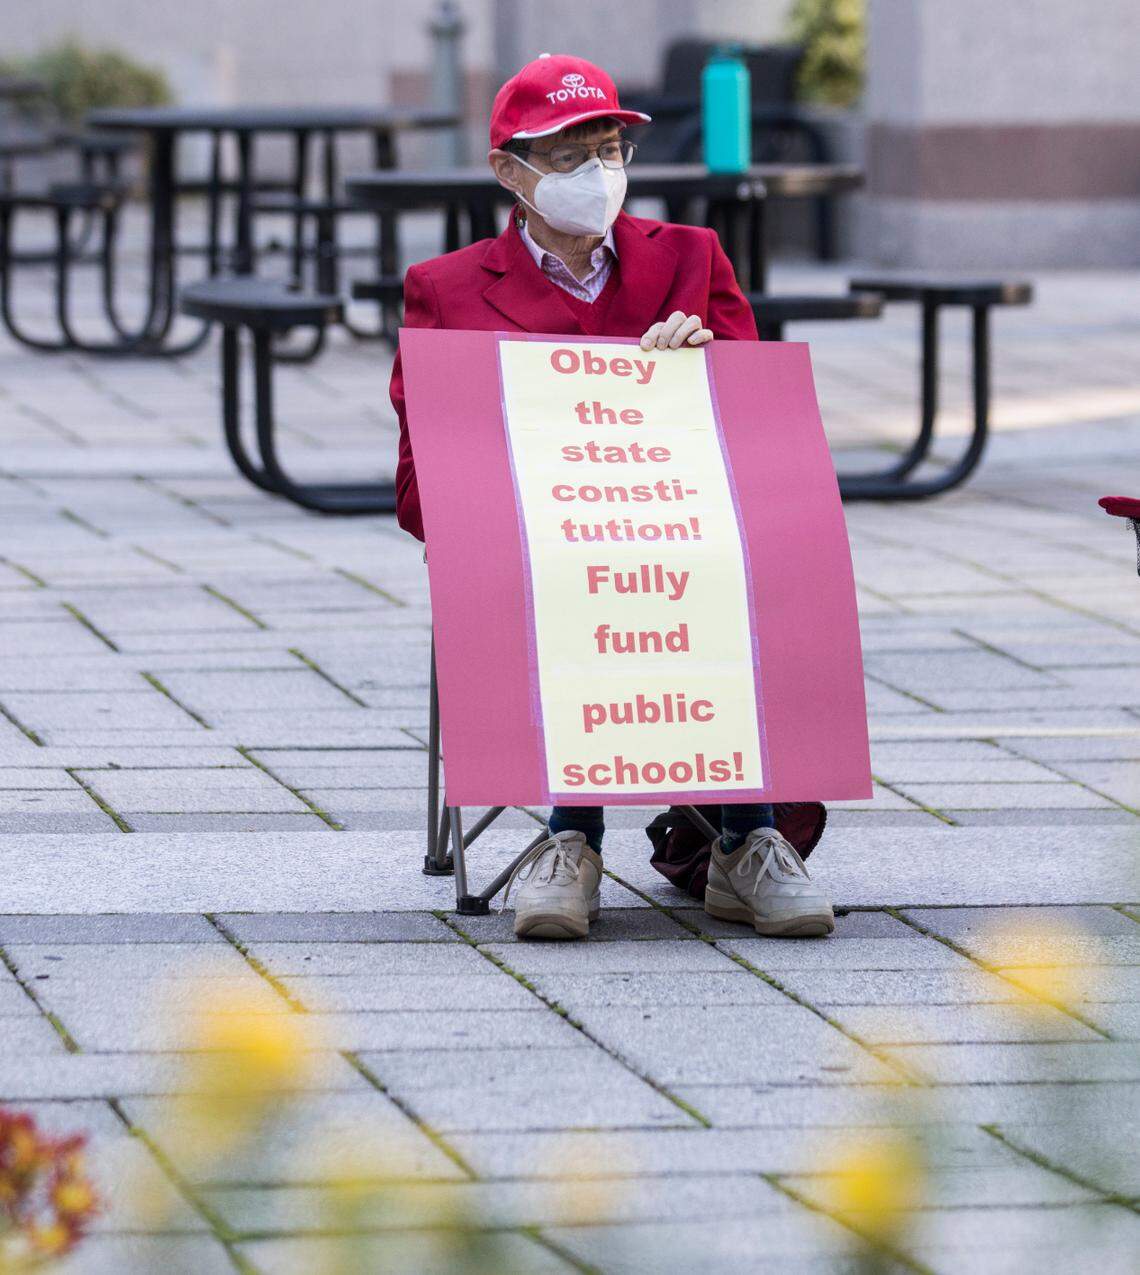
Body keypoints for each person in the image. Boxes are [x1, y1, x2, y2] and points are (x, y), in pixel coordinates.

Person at [389, 53, 833, 942]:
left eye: (610, 149)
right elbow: (418, 490)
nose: (597, 174)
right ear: (510, 173)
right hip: (539, 544)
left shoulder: (690, 258)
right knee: (567, 568)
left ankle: (745, 840)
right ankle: (571, 837)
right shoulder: (445, 290)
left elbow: (760, 439)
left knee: (764, 551)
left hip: (682, 529)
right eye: (567, 155)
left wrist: (700, 368)